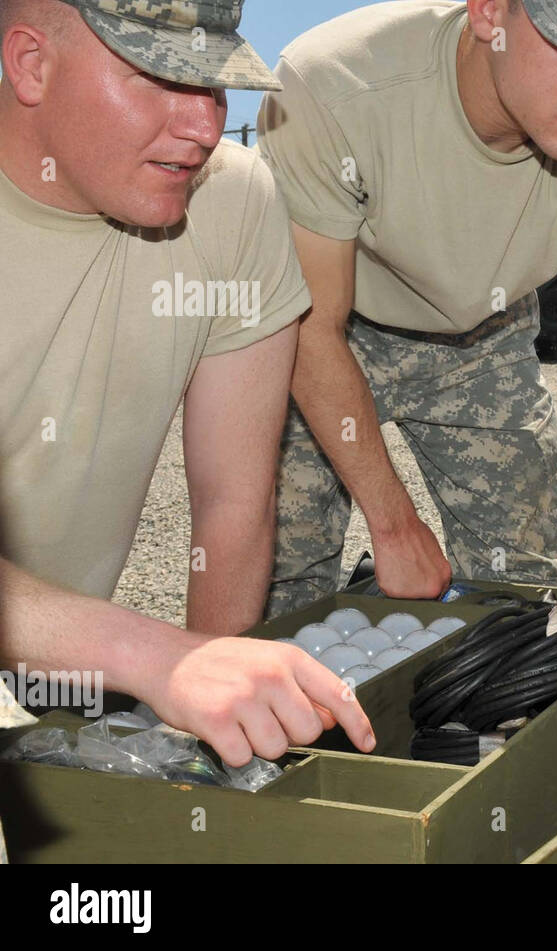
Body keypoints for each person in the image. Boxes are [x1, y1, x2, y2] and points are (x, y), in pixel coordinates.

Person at [256, 0, 557, 706]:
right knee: (278, 583)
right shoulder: (336, 84)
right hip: (332, 331)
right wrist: (394, 521)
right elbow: (310, 323)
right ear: (491, 12)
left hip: (486, 336)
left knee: (522, 595)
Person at [0, 0, 375, 767]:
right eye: (162, 78)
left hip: (58, 664)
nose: (205, 127)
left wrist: (206, 735)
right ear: (30, 64)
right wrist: (158, 657)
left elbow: (234, 502)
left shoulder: (233, 202)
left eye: (212, 83)